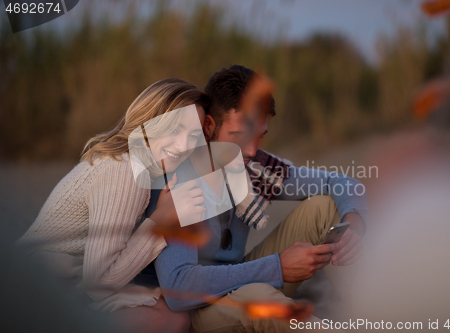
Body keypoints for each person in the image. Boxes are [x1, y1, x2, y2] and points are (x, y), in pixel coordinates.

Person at [150, 65, 369, 332]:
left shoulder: (255, 167)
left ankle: (374, 312)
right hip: (198, 309)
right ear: (209, 126)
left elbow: (342, 183)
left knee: (326, 207)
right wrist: (277, 267)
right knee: (263, 301)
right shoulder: (180, 175)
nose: (252, 151)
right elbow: (178, 286)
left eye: (259, 137)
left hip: (243, 277)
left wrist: (355, 223)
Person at [17, 78, 210, 333]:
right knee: (170, 320)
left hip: (65, 282)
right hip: (32, 287)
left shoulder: (134, 163)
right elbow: (100, 282)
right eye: (175, 129)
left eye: (193, 135)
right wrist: (162, 221)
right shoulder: (125, 170)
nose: (185, 145)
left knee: (172, 313)